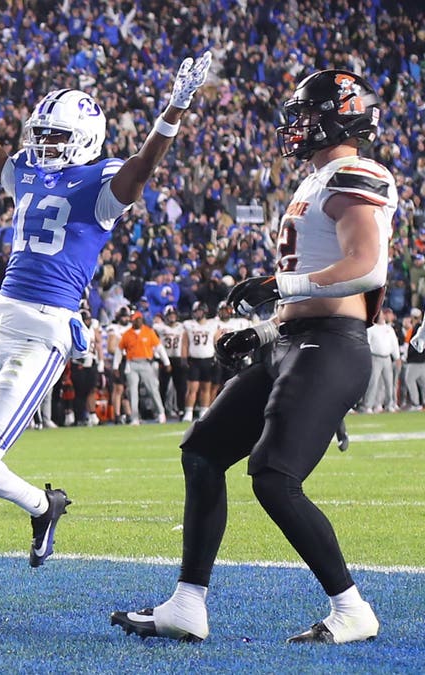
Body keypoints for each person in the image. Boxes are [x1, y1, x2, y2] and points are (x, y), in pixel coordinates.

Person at [0, 15, 211, 605]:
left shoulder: (101, 183)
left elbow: (139, 173)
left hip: (46, 329)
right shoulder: (30, 173)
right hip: (0, 320)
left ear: (86, 140)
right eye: (43, 134)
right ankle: (43, 506)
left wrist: (171, 116)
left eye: (57, 137)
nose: (44, 144)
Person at [112, 69, 393, 644]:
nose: (295, 125)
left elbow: (367, 267)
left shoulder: (354, 174)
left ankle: (352, 608)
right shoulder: (315, 181)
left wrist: (280, 289)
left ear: (341, 116)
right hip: (294, 343)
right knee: (203, 453)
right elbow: (310, 283)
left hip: (330, 346)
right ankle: (188, 604)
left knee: (272, 476)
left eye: (307, 115)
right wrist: (267, 332)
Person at [119, 311, 170, 425]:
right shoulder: (127, 334)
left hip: (146, 363)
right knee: (132, 391)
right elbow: (119, 350)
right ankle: (135, 417)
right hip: (132, 363)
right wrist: (115, 365)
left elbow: (159, 348)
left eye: (139, 319)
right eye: (136, 319)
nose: (138, 321)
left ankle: (161, 413)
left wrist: (166, 362)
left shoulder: (149, 332)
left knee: (153, 389)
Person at [181, 302, 218, 421]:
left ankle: (204, 411)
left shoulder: (212, 325)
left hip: (208, 359)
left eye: (199, 311)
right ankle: (188, 412)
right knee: (192, 388)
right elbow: (185, 343)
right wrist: (183, 358)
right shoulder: (189, 325)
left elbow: (216, 342)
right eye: (196, 311)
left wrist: (217, 357)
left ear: (205, 311)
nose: (197, 313)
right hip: (194, 361)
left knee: (206, 388)